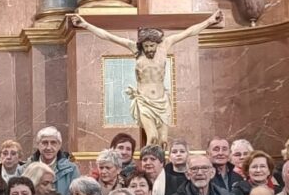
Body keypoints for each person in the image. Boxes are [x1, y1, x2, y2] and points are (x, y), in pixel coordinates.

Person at [71, 11, 223, 148]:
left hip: (162, 101)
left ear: (157, 43)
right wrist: (85, 24)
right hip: (144, 101)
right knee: (153, 139)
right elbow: (108, 36)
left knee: (164, 141)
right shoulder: (135, 49)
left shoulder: (164, 46)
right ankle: (148, 170)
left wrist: (209, 21)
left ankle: (162, 174)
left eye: (152, 46)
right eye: (146, 46)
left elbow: (189, 32)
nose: (149, 49)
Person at [23, 126, 79, 195]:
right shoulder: (25, 169)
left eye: (53, 143)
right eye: (45, 143)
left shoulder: (71, 170)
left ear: (59, 145)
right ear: (37, 145)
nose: (49, 147)